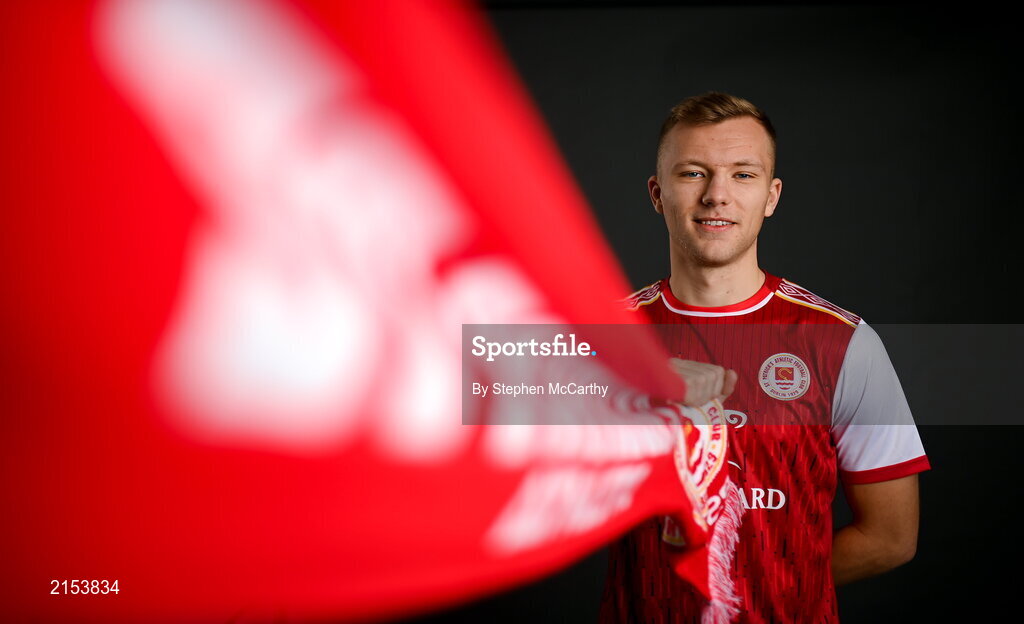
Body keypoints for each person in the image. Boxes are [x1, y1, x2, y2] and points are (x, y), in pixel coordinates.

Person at [600, 92, 930, 623]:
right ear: (657, 194)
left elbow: (890, 538)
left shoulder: (841, 342)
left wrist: (760, 587)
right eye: (692, 173)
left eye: (743, 175)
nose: (717, 196)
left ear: (772, 196)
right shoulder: (601, 340)